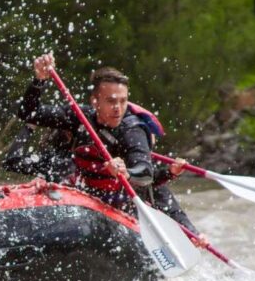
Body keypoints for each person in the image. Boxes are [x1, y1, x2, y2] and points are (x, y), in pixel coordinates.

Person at [18, 53, 154, 211]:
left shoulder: (132, 130)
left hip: (124, 206)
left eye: (123, 101)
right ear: (94, 101)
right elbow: (29, 113)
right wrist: (39, 80)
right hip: (88, 200)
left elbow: (145, 172)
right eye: (111, 101)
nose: (118, 108)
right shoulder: (80, 116)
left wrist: (127, 173)